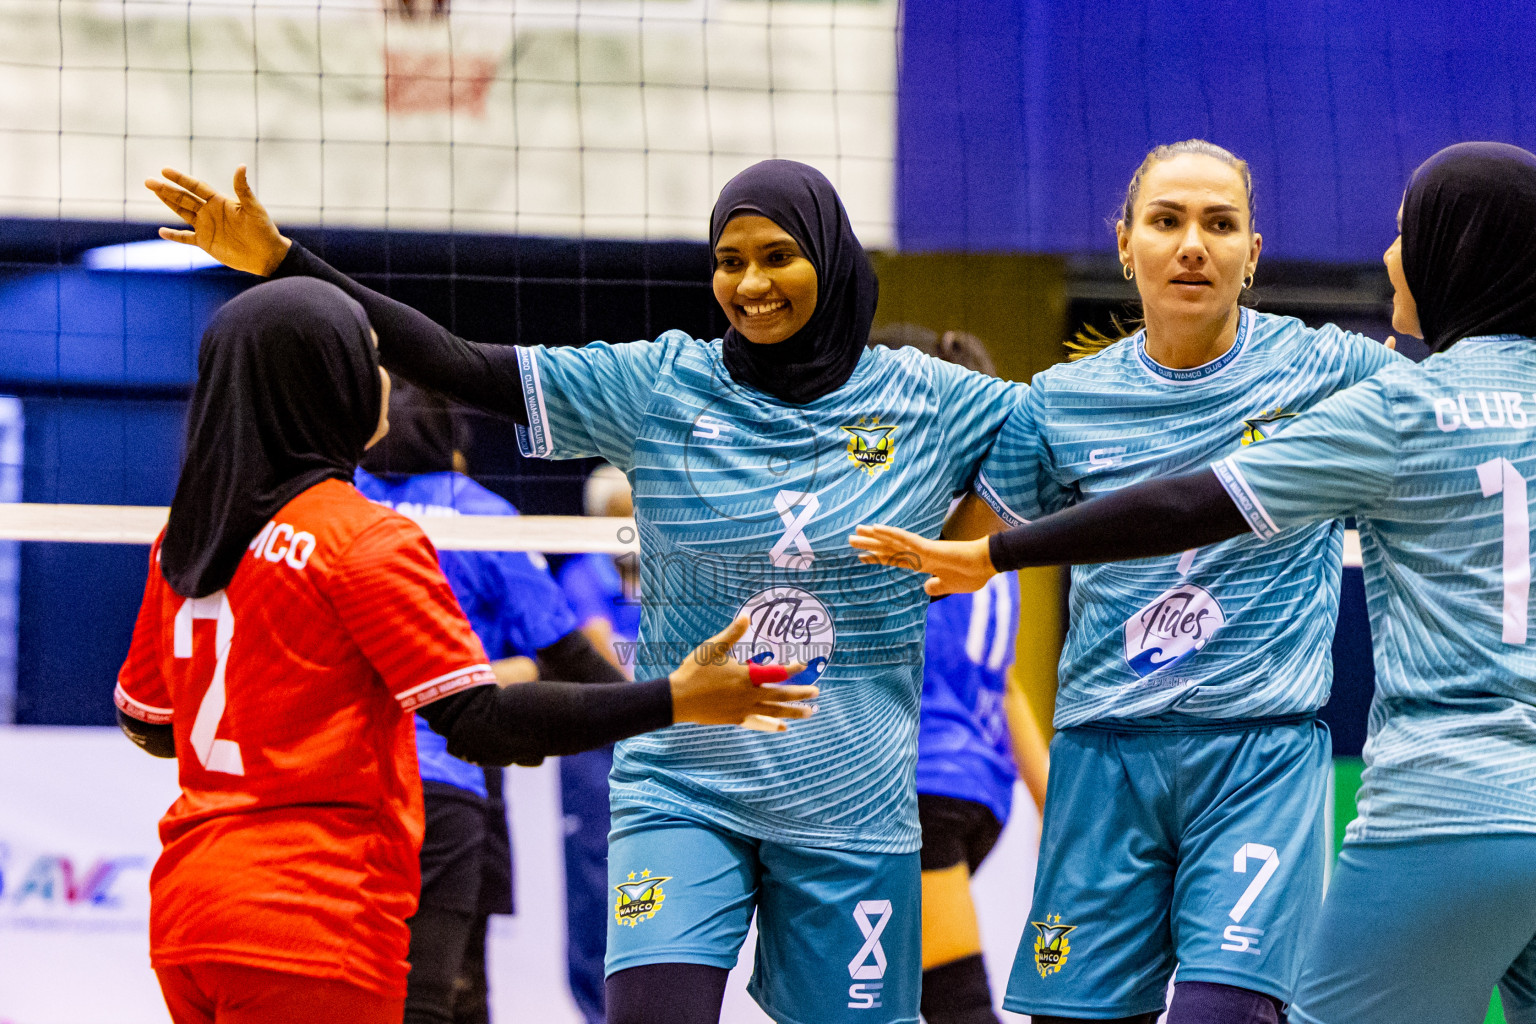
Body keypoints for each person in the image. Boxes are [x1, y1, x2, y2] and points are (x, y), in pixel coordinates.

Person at [145, 157, 1019, 1024]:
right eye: (728, 259)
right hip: (675, 786)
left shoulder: (931, 399)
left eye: (776, 256)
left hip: (845, 796)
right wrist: (288, 261)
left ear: (830, 258)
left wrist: (981, 555)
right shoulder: (658, 385)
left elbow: (1078, 452)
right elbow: (462, 364)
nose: (750, 282)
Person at [854, 140, 1536, 1024]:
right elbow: (944, 553)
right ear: (1125, 242)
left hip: (1261, 753)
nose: (1192, 244)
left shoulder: (1344, 376)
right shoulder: (1061, 403)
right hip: (1106, 759)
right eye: (1167, 221)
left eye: (1220, 224)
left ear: (1253, 254)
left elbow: (1459, 445)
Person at [112, 278, 817, 1024]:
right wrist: (676, 698)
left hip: (193, 913)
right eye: (367, 355)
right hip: (314, 912)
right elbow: (484, 722)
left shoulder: (184, 540)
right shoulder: (363, 541)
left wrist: (303, 692)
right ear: (327, 385)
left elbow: (151, 724)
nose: (386, 376)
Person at [356, 379, 624, 1024]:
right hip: (453, 774)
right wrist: (671, 710)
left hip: (345, 781)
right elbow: (566, 652)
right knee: (452, 982)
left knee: (353, 972)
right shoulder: (481, 514)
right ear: (454, 445)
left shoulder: (329, 509)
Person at [869, 325, 1048, 1024]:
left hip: (917, 792)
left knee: (955, 1002)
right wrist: (1048, 796)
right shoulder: (993, 549)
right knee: (891, 990)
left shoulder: (915, 539)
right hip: (978, 794)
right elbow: (1005, 685)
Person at [555, 463, 642, 1024]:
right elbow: (596, 655)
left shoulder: (670, 570)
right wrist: (672, 694)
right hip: (599, 746)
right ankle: (596, 1011)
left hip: (658, 738)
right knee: (594, 878)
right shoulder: (583, 569)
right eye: (624, 510)